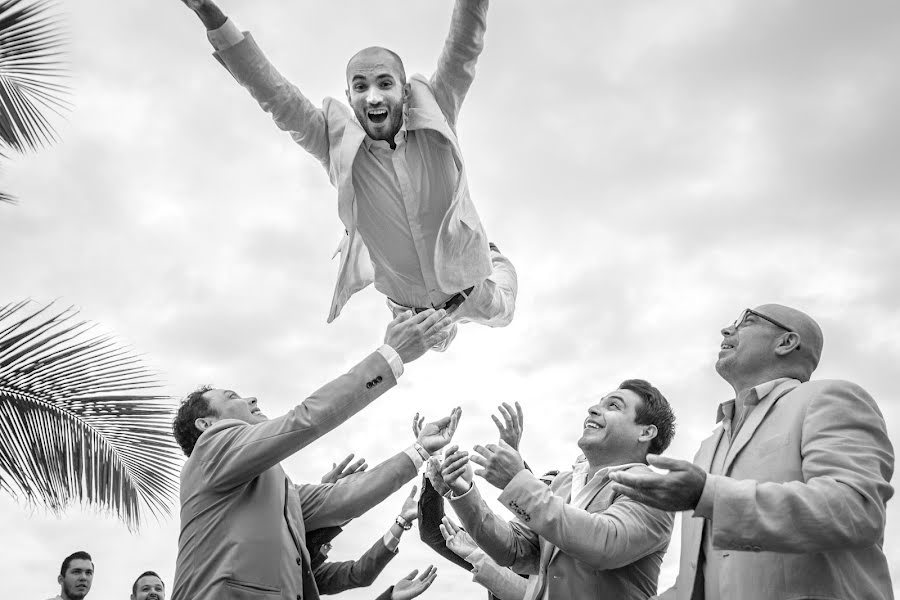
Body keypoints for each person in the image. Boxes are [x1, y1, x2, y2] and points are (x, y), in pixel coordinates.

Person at [176, 0, 517, 350]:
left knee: (505, 312)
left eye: (385, 83)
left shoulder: (437, 113)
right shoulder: (336, 147)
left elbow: (463, 49)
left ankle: (494, 256)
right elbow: (277, 97)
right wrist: (211, 15)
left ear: (404, 90)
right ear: (348, 97)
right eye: (360, 86)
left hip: (471, 286)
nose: (373, 97)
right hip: (411, 314)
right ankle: (445, 333)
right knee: (438, 344)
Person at [609, 305, 896, 600]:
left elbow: (855, 511)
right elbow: (695, 582)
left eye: (747, 321)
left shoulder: (830, 398)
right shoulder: (708, 447)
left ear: (786, 343)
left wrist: (707, 495)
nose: (727, 329)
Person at [170, 313, 458, 600]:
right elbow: (303, 421)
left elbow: (346, 498)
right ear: (205, 424)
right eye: (232, 397)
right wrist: (391, 356)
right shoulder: (210, 450)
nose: (252, 399)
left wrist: (419, 450)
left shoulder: (277, 485)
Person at [445, 380, 677, 599]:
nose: (593, 409)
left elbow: (604, 542)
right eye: (600, 401)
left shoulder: (653, 490)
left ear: (646, 432)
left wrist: (517, 480)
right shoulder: (562, 483)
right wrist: (465, 492)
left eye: (613, 405)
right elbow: (514, 549)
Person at [418, 402, 538, 600]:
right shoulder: (503, 541)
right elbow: (432, 531)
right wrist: (437, 466)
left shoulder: (568, 550)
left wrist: (480, 558)